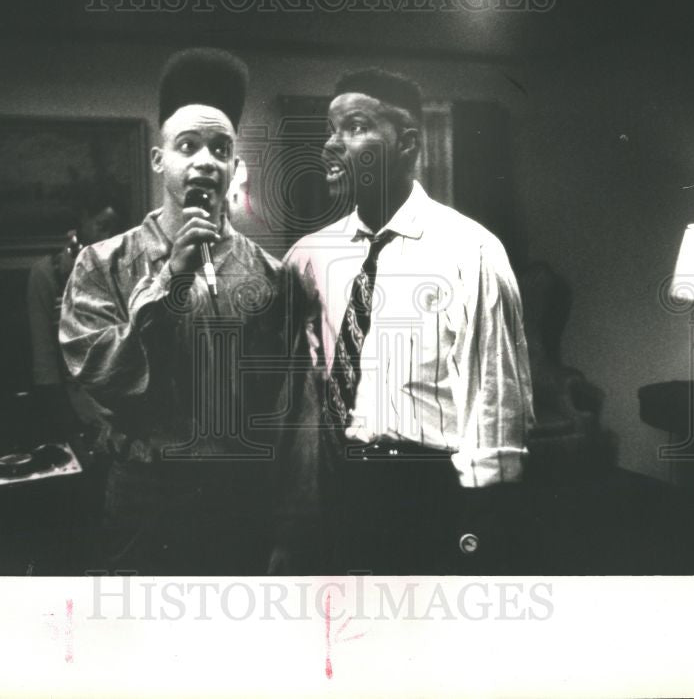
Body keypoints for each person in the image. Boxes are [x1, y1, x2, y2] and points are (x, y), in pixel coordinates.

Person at [59, 48, 322, 575]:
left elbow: (294, 409)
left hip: (241, 496)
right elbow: (99, 373)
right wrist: (169, 282)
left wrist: (292, 523)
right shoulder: (103, 264)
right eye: (188, 146)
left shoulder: (273, 277)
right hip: (144, 495)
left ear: (234, 167)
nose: (205, 160)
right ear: (161, 161)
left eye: (220, 149)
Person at [284, 68, 535, 574]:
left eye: (354, 127)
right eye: (330, 130)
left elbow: (497, 395)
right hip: (333, 483)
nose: (333, 144)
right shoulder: (309, 257)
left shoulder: (472, 251)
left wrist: (482, 520)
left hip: (426, 489)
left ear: (408, 143)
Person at [26, 185, 125, 445]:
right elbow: (44, 359)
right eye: (102, 226)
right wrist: (62, 418)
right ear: (82, 222)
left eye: (115, 228)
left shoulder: (121, 271)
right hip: (72, 401)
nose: (109, 236)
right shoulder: (47, 273)